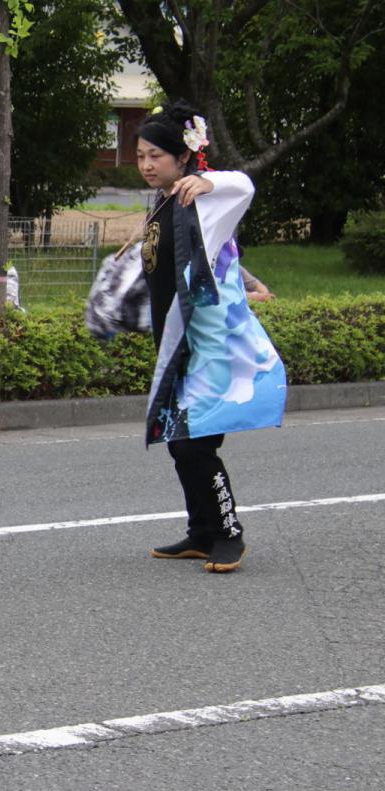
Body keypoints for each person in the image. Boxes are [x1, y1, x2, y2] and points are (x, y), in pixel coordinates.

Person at [135, 101, 287, 573]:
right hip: (183, 345)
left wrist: (210, 179)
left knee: (196, 444)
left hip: (214, 347)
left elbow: (245, 185)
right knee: (181, 442)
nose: (145, 164)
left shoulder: (202, 197)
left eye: (155, 155)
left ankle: (229, 533)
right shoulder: (163, 201)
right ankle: (202, 531)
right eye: (140, 155)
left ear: (183, 157)